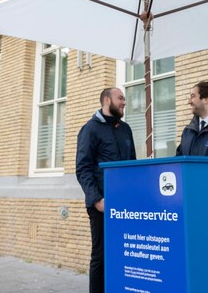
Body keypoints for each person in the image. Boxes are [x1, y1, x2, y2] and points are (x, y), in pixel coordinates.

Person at [76, 87, 137, 293]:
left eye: (124, 99)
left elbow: (132, 165)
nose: (123, 102)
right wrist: (96, 200)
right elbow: (83, 168)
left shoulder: (125, 129)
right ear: (106, 100)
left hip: (125, 204)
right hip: (102, 204)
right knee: (101, 255)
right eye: (120, 98)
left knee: (123, 252)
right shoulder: (90, 129)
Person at [176, 81, 208, 156]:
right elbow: (179, 162)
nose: (189, 101)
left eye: (193, 96)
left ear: (206, 99)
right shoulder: (187, 132)